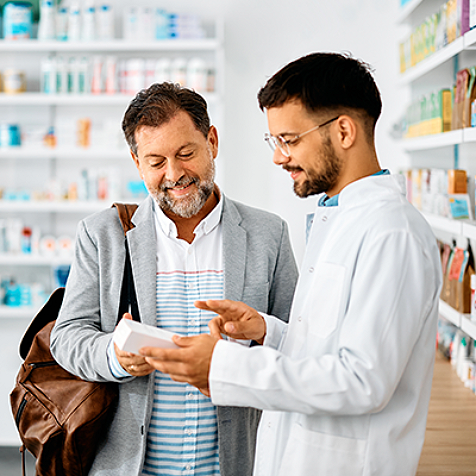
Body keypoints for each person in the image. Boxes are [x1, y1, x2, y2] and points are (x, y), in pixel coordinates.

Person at [139, 53, 443, 476]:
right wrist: (269, 331)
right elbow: (328, 349)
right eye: (275, 142)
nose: (280, 157)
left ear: (342, 131)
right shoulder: (335, 218)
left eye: (290, 139)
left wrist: (225, 366)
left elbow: (363, 381)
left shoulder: (392, 233)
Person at [50, 82, 298, 476]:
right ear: (136, 162)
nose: (175, 174)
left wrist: (260, 333)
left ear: (212, 142)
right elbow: (67, 338)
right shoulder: (103, 236)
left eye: (186, 154)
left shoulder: (268, 234)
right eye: (156, 161)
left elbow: (298, 339)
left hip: (235, 464)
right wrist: (114, 356)